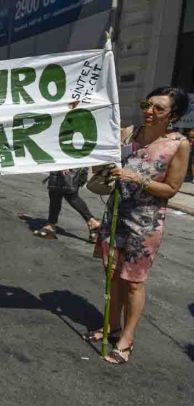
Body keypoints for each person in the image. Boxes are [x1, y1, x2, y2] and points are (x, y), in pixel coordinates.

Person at [84, 87, 190, 364]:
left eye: (158, 108)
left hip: (144, 223)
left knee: (133, 282)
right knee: (112, 275)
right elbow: (106, 168)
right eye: (147, 104)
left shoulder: (178, 144)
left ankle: (126, 340)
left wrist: (135, 178)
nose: (149, 111)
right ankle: (111, 326)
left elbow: (170, 189)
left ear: (173, 115)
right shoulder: (130, 133)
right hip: (115, 215)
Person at [33, 169, 101, 241]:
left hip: (69, 166)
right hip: (73, 166)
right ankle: (92, 222)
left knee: (60, 192)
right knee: (68, 194)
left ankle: (51, 225)